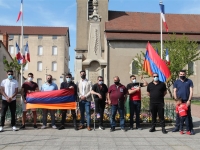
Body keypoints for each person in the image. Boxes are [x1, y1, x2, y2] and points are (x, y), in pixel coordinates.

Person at [172, 70, 195, 135]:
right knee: (178, 115)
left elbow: (191, 91)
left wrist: (189, 100)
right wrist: (176, 100)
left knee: (188, 115)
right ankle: (177, 127)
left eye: (183, 74)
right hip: (179, 101)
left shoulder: (189, 81)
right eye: (181, 74)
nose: (182, 75)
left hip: (186, 101)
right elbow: (174, 91)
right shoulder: (176, 82)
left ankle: (190, 129)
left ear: (185, 74)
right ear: (179, 74)